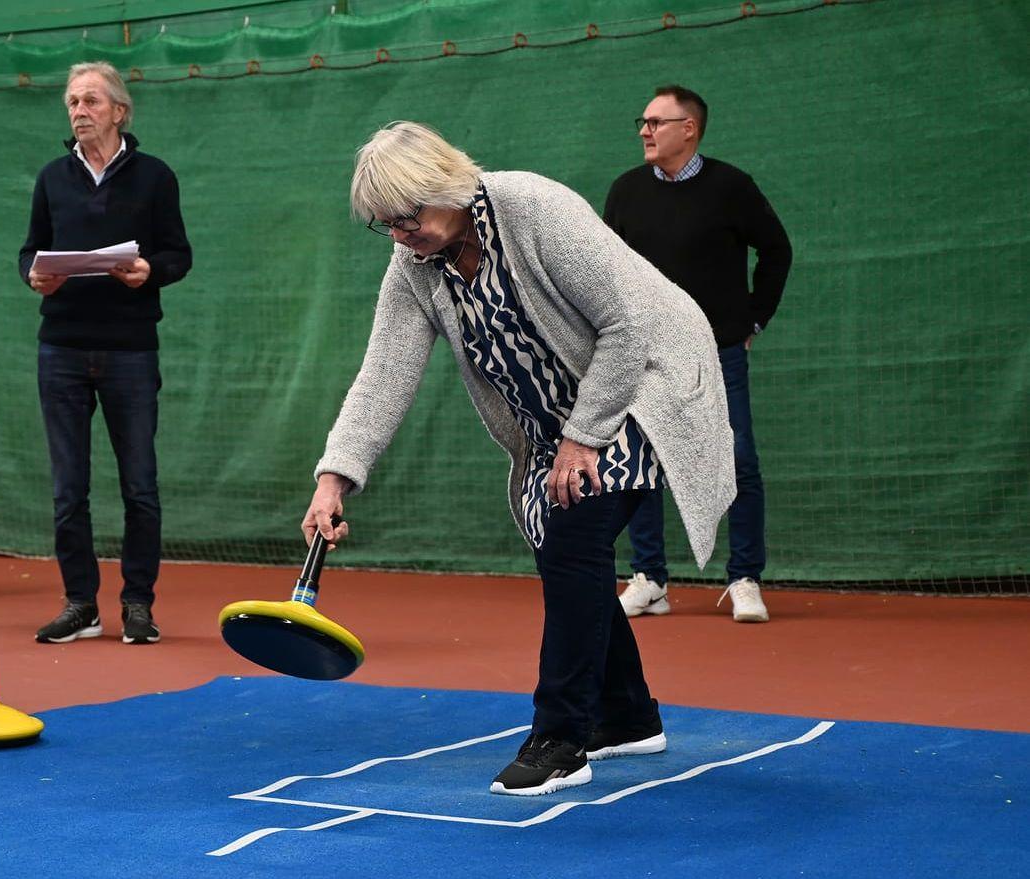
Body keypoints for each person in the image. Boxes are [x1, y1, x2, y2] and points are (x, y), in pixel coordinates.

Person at [304, 122, 735, 795]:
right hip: (555, 420)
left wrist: (583, 437)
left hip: (646, 382)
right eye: (383, 224)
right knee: (569, 554)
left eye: (407, 215)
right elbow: (383, 373)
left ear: (443, 187)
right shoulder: (415, 265)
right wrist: (334, 476)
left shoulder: (533, 208)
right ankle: (626, 717)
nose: (399, 234)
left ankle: (560, 738)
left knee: (571, 533)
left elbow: (627, 327)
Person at [18, 60, 192, 646]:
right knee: (69, 490)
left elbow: (177, 255)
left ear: (119, 110)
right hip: (60, 349)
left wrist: (150, 271)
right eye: (72, 101)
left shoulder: (155, 177)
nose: (79, 111)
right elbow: (30, 252)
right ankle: (80, 605)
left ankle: (138, 604)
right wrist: (35, 277)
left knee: (139, 485)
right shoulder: (51, 177)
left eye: (91, 101)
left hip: (130, 352)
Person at [604, 85, 792, 623]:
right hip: (642, 355)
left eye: (656, 122)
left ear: (689, 129)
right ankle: (651, 580)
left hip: (718, 351)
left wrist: (754, 317)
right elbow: (606, 269)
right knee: (640, 465)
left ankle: (745, 579)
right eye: (642, 121)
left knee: (739, 461)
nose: (644, 129)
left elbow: (776, 249)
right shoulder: (626, 191)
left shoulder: (732, 187)